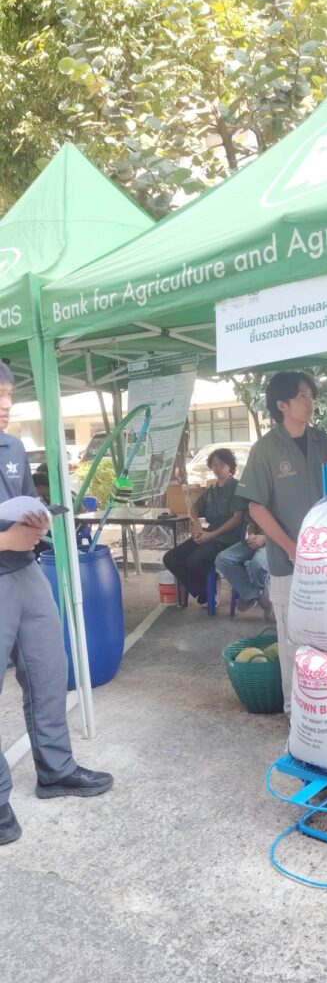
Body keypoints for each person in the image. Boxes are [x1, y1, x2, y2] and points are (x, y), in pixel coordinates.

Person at [0, 360, 113, 847]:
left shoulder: (11, 447)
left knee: (50, 671)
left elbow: (26, 499)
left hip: (25, 572)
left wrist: (38, 520)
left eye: (9, 395)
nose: (5, 405)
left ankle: (56, 770)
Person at [236, 372, 327, 713]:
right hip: (288, 562)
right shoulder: (266, 449)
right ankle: (294, 710)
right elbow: (256, 507)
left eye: (310, 395)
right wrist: (290, 547)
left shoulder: (322, 441)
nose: (309, 401)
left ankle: (325, 706)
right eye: (302, 396)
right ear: (282, 404)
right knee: (292, 640)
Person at [163, 447, 244, 605]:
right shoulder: (212, 490)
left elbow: (237, 519)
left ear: (230, 466)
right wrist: (196, 523)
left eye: (221, 464)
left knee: (195, 560)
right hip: (208, 535)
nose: (217, 468)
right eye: (214, 464)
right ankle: (204, 590)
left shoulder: (237, 488)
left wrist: (211, 535)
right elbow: (194, 509)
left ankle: (208, 589)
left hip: (227, 539)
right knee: (171, 558)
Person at [215, 519, 273, 619]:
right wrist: (252, 535)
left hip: (277, 544)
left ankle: (255, 594)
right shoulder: (255, 508)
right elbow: (252, 523)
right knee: (222, 559)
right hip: (257, 540)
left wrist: (264, 538)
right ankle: (254, 594)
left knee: (258, 563)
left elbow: (292, 531)